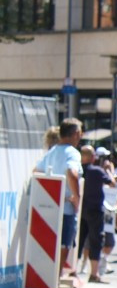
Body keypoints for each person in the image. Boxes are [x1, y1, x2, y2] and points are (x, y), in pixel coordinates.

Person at [35, 118, 82, 279]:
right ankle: (56, 278)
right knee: (64, 244)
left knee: (49, 244)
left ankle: (48, 277)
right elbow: (72, 172)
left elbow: (37, 171)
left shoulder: (52, 151)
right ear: (75, 134)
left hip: (48, 206)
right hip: (66, 208)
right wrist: (76, 197)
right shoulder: (72, 152)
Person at [76, 145, 114, 283]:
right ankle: (94, 274)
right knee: (95, 241)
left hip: (80, 210)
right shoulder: (98, 171)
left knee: (78, 241)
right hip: (95, 211)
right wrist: (108, 169)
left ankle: (72, 271)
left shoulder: (77, 171)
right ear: (93, 157)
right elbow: (112, 183)